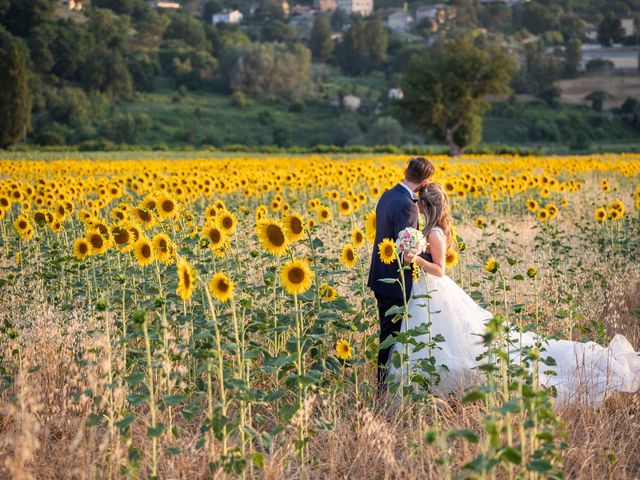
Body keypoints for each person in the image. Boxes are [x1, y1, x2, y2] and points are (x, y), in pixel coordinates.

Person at [391, 182, 640, 405]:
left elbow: (440, 270)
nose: (417, 205)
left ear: (426, 204)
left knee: (460, 340)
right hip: (425, 291)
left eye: (419, 201)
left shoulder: (434, 233)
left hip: (435, 289)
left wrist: (415, 259)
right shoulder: (429, 230)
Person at [367, 156, 435, 391]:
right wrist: (429, 259)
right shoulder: (408, 205)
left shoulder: (387, 195)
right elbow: (406, 248)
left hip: (379, 276)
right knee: (391, 336)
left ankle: (386, 384)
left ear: (406, 171)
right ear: (426, 181)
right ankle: (384, 388)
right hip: (396, 282)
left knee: (387, 333)